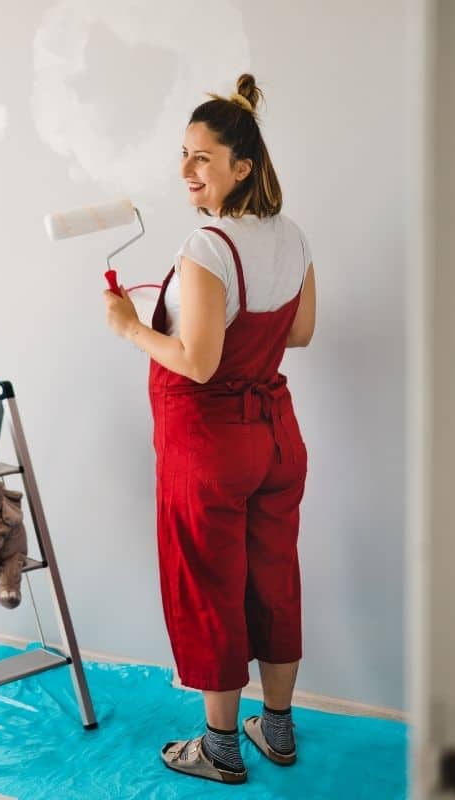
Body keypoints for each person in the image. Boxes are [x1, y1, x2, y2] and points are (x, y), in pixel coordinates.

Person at [103, 73, 316, 785]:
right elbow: (304, 331)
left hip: (212, 445)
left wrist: (132, 328)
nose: (186, 171)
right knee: (274, 580)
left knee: (210, 587)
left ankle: (221, 746)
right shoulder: (291, 236)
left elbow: (195, 362)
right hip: (277, 437)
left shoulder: (207, 247)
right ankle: (276, 732)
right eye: (184, 155)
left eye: (201, 158)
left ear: (242, 166)